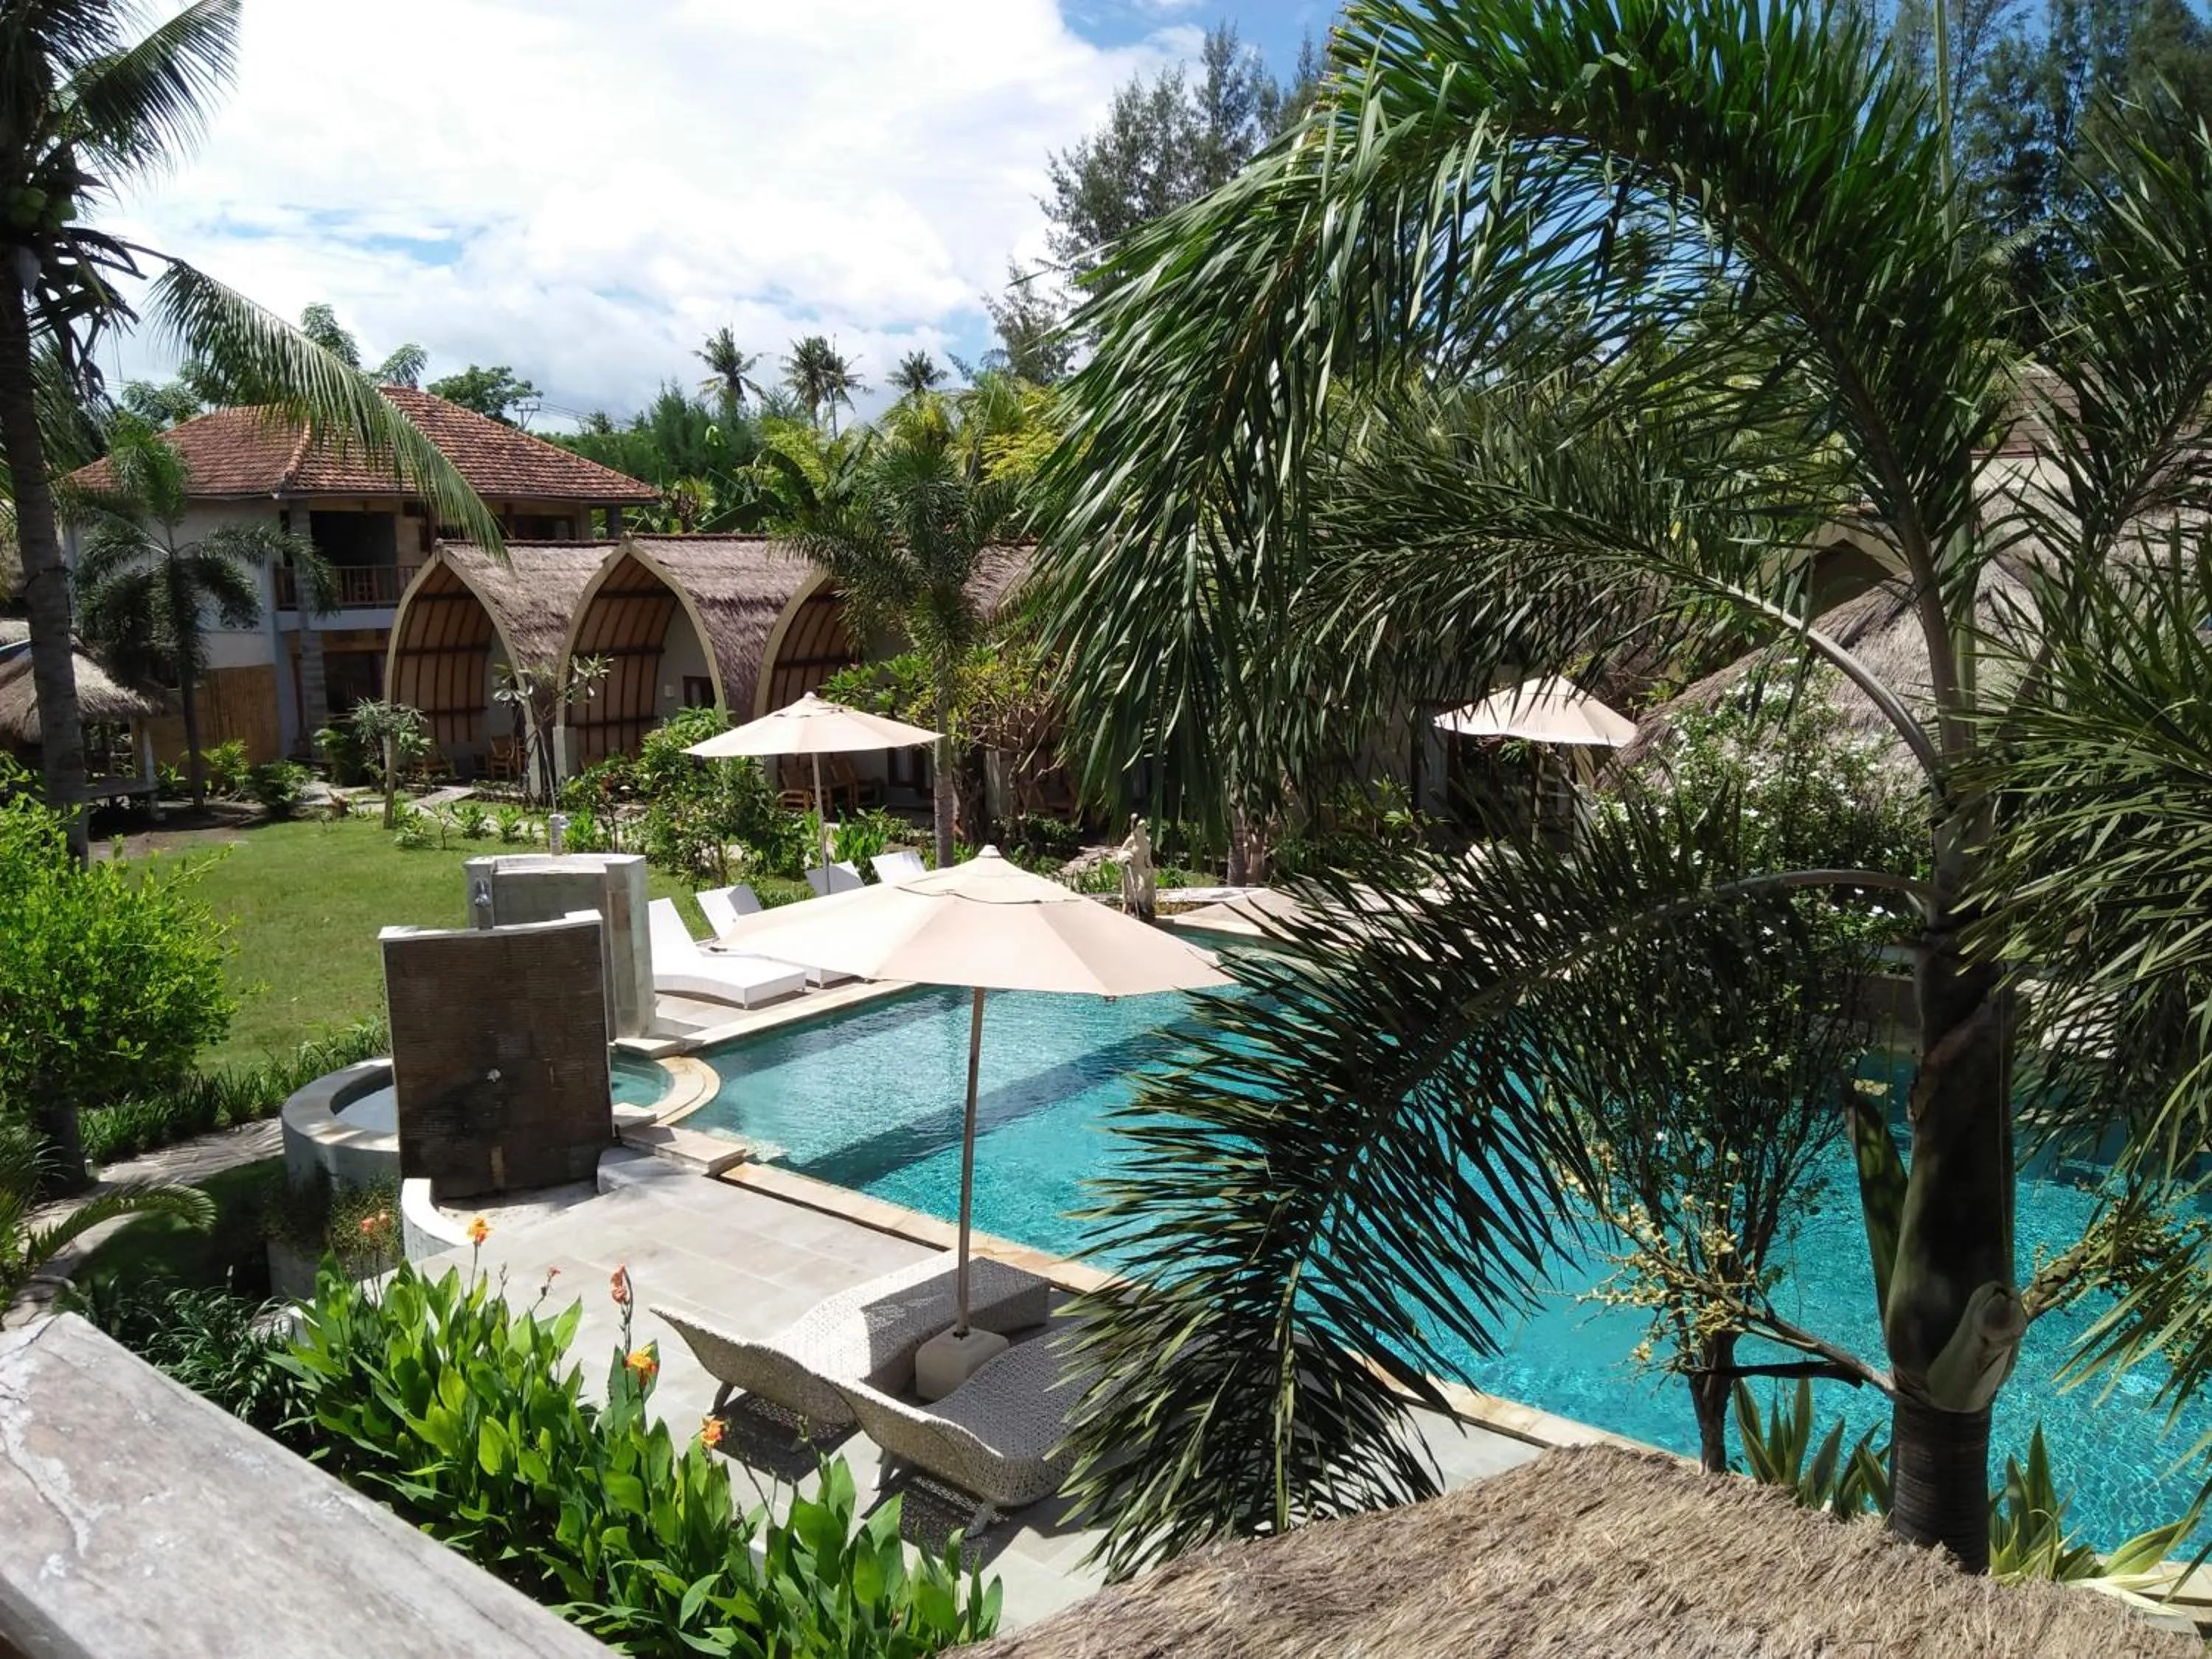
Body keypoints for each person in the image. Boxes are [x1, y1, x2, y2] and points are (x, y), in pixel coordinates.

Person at [1119, 813, 1156, 922]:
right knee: (1138, 890)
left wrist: (1152, 872)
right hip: (1133, 869)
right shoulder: (1131, 840)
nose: (1143, 829)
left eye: (1144, 827)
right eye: (1140, 827)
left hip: (1143, 870)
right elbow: (1121, 852)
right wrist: (1126, 857)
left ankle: (1144, 910)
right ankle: (1135, 909)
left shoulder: (1147, 842)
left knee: (1146, 891)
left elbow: (1148, 859)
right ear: (1135, 829)